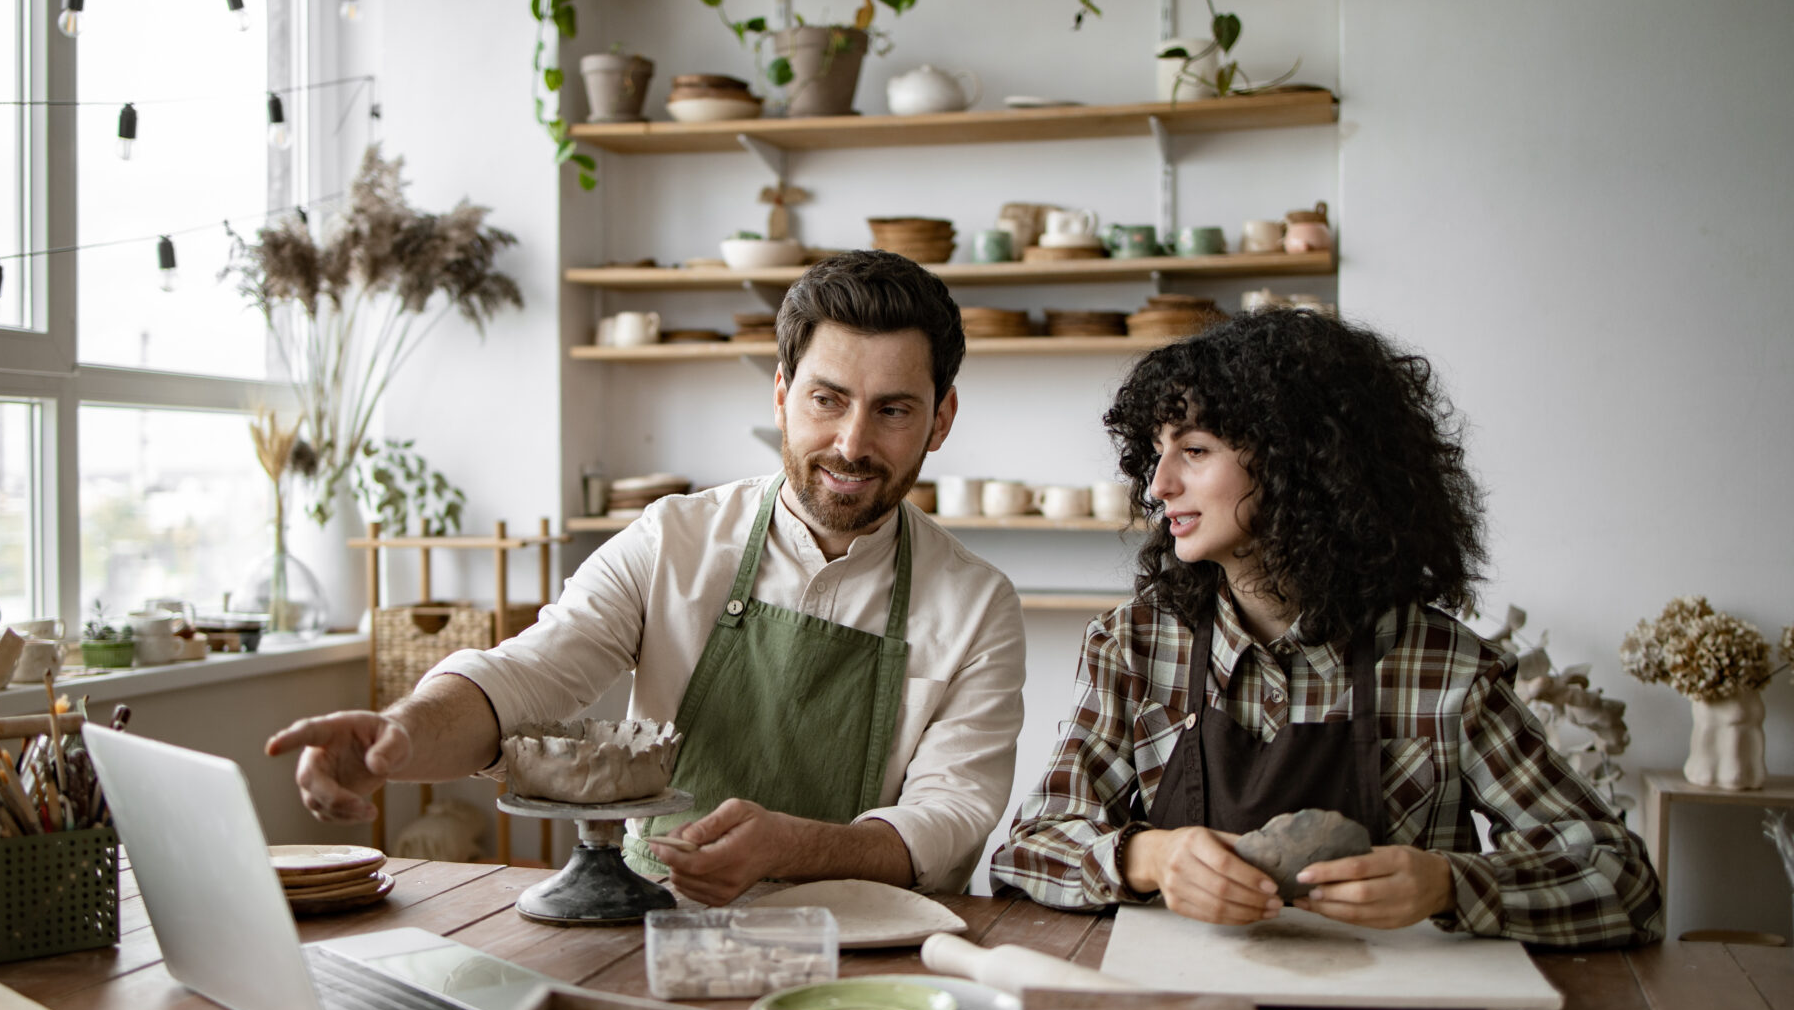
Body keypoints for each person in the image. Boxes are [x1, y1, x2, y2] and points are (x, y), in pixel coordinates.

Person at [269, 250, 1026, 906]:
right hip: (652, 916)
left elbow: (948, 813)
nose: (851, 442)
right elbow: (530, 677)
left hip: (867, 949)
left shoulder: (975, 604)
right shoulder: (675, 539)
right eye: (827, 399)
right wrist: (400, 733)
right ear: (781, 395)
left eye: (893, 409)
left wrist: (796, 849)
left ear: (940, 418)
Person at [989, 307, 1663, 949]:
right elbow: (1024, 852)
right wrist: (1147, 855)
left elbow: (1624, 878)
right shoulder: (1136, 646)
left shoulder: (1443, 667)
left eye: (1194, 449)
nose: (1159, 482)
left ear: (1300, 465)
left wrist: (1452, 883)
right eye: (1156, 453)